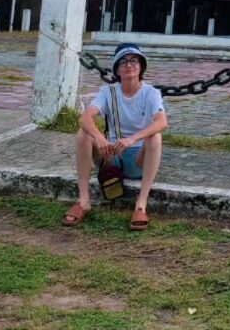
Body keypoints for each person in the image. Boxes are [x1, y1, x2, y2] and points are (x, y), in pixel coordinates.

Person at [62, 42, 168, 231]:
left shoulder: (151, 93)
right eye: (123, 62)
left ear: (141, 66)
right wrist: (100, 138)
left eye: (134, 60)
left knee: (155, 137)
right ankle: (84, 201)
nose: (129, 65)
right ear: (117, 70)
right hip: (112, 156)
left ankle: (141, 205)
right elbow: (85, 118)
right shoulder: (108, 92)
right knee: (83, 134)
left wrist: (133, 139)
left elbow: (161, 122)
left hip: (137, 158)